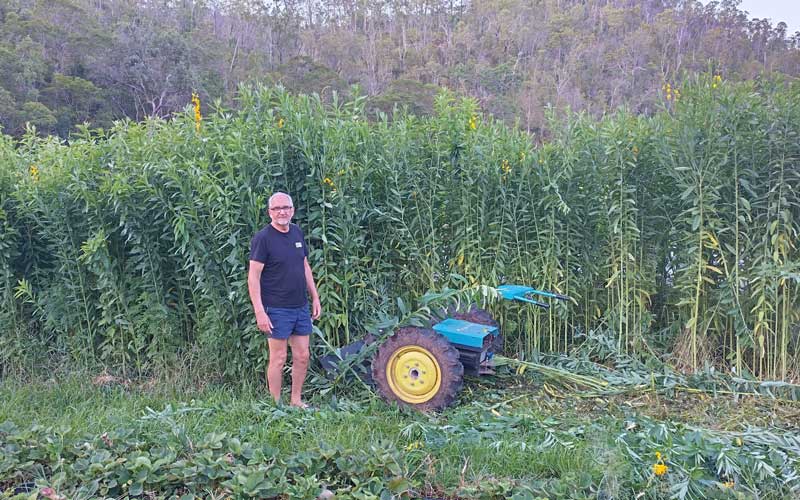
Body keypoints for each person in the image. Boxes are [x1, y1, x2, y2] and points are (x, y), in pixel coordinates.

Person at [248, 192, 322, 407]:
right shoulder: (263, 239)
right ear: (270, 212)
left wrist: (315, 297)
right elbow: (253, 277)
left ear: (292, 210)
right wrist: (260, 311)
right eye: (277, 208)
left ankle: (296, 400)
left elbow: (305, 266)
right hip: (276, 308)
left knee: (302, 356)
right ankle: (275, 404)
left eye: (286, 207)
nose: (282, 212)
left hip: (300, 306)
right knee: (278, 359)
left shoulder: (297, 232)